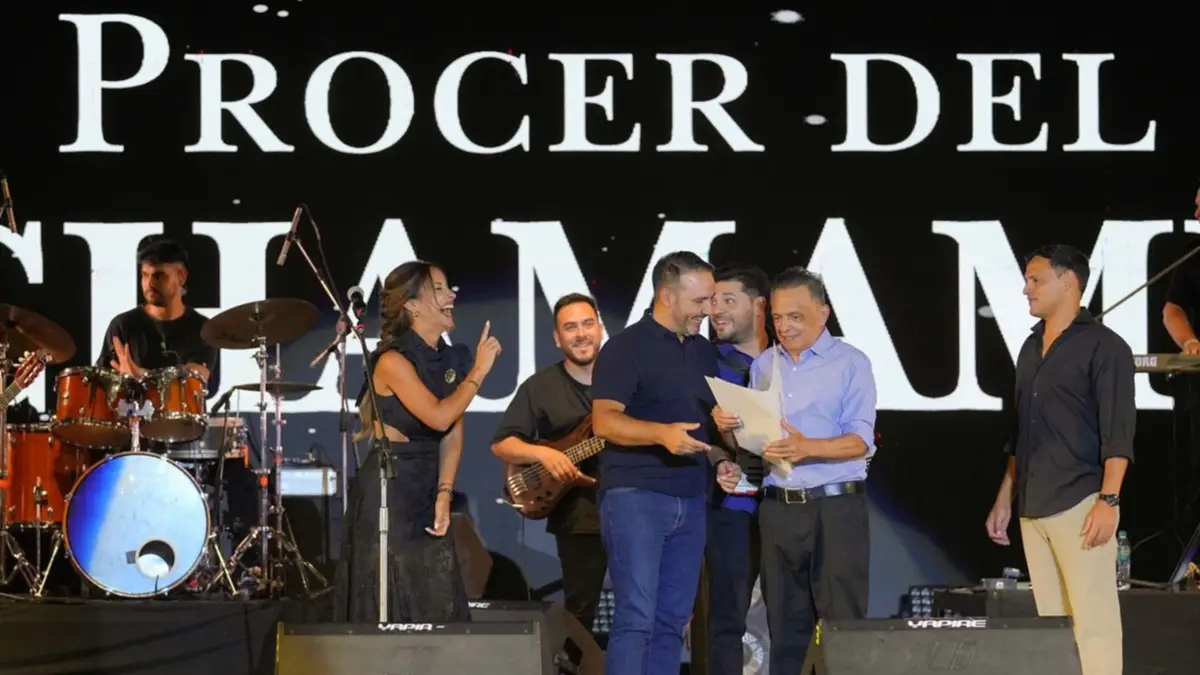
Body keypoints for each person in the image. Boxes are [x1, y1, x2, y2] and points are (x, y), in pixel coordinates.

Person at [716, 266, 877, 674]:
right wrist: (728, 428)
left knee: (843, 627)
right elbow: (753, 442)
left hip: (835, 508)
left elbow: (861, 440)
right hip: (778, 509)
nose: (784, 327)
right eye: (777, 318)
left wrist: (808, 448)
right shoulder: (764, 365)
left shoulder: (852, 363)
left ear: (823, 313)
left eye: (795, 317)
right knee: (784, 629)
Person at [985, 245, 1133, 675]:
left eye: (1036, 280)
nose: (1026, 289)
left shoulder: (1105, 347)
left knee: (1094, 623)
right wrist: (1006, 496)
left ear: (1068, 282)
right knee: (1052, 626)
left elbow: (1118, 433)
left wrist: (1109, 500)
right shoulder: (1030, 347)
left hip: (1081, 502)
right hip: (1034, 506)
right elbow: (1021, 432)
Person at [335, 261, 502, 623]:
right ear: (412, 305)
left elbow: (452, 429)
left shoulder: (451, 359)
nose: (451, 295)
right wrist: (479, 371)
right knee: (389, 599)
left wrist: (444, 493)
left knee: (435, 601)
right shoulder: (392, 361)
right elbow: (438, 416)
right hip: (390, 492)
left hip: (426, 490)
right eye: (439, 289)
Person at [590, 250, 726, 675]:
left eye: (710, 300)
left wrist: (720, 456)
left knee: (673, 621)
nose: (708, 310)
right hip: (636, 496)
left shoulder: (703, 351)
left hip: (692, 497)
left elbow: (700, 428)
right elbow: (604, 421)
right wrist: (660, 434)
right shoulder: (625, 348)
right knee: (637, 618)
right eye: (699, 301)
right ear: (667, 296)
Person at [490, 292, 607, 665]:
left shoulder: (625, 379)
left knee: (643, 608)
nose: (581, 333)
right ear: (557, 338)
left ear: (601, 328)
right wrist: (546, 455)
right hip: (579, 518)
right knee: (580, 612)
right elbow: (502, 444)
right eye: (570, 327)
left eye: (587, 324)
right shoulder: (540, 387)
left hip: (633, 507)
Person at [691, 264, 772, 675]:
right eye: (711, 301)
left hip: (789, 506)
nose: (716, 310)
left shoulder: (791, 361)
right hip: (731, 510)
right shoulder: (704, 361)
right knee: (727, 615)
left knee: (792, 615)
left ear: (759, 306)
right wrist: (720, 458)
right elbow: (690, 432)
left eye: (728, 300)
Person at [97, 237, 217, 381]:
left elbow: (195, 378)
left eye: (158, 276)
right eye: (145, 275)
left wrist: (142, 375)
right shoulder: (123, 325)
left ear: (182, 276)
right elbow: (101, 382)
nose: (149, 284)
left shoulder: (203, 328)